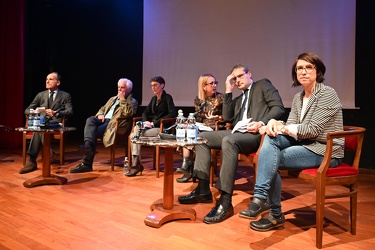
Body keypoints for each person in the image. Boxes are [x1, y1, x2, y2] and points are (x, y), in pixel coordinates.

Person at [243, 52, 344, 232]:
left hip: (325, 150)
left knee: (269, 158)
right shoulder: (299, 98)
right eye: (299, 68)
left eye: (308, 67)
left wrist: (280, 127)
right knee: (271, 143)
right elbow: (292, 125)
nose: (303, 72)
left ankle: (270, 209)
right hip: (306, 145)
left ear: (317, 71)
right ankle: (261, 199)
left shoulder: (328, 93)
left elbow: (311, 130)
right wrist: (274, 124)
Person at [177, 64, 285, 224]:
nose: (237, 80)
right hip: (237, 133)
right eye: (234, 78)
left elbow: (278, 107)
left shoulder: (262, 85)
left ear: (249, 74)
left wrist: (261, 122)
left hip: (255, 134)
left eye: (240, 76)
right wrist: (228, 89)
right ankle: (203, 188)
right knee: (201, 138)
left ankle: (226, 201)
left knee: (229, 141)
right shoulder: (239, 98)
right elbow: (227, 117)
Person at [70, 78, 138, 173]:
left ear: (129, 89)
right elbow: (103, 108)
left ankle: (86, 163)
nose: (119, 89)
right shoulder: (112, 99)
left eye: (122, 87)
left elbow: (128, 113)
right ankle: (87, 147)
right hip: (103, 120)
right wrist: (100, 114)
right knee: (90, 119)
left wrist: (122, 100)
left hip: (113, 124)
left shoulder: (132, 101)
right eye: (118, 87)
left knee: (92, 133)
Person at [21, 72, 73, 174]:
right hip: (42, 122)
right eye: (46, 79)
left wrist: (56, 113)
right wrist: (35, 112)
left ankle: (32, 159)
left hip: (56, 123)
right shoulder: (41, 95)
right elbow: (27, 110)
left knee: (39, 127)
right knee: (40, 126)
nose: (47, 81)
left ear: (58, 82)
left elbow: (70, 112)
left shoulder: (65, 95)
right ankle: (38, 156)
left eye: (50, 79)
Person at [176, 73, 224, 183]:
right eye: (211, 83)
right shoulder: (198, 99)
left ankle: (189, 167)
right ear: (203, 86)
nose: (214, 85)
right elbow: (198, 117)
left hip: (215, 128)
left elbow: (227, 117)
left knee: (193, 133)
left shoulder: (221, 98)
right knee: (186, 130)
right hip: (202, 127)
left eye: (215, 83)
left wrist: (218, 117)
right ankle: (188, 163)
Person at [126, 76, 177, 177]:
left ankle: (136, 163)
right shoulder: (154, 99)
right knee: (135, 132)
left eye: (155, 85)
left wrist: (154, 123)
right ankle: (136, 162)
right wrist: (145, 122)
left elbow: (172, 114)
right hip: (151, 128)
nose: (153, 87)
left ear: (162, 85)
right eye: (152, 86)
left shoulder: (167, 98)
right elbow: (145, 112)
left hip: (162, 129)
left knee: (133, 136)